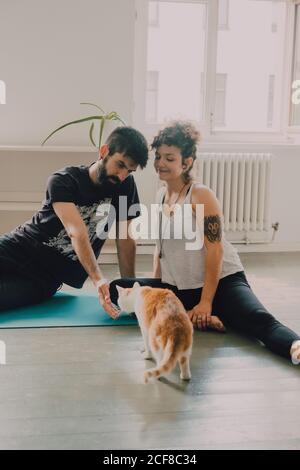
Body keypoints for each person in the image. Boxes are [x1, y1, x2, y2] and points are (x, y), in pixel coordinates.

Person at [110, 121, 300, 365]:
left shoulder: (201, 195)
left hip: (222, 282)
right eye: (158, 157)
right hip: (182, 288)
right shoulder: (160, 196)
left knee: (258, 320)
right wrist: (158, 289)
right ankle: (202, 317)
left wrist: (206, 302)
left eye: (169, 158)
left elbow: (215, 249)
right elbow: (161, 248)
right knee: (119, 287)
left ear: (186, 162)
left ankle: (294, 345)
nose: (160, 164)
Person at [0, 126, 148, 317]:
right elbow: (76, 232)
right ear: (104, 151)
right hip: (17, 248)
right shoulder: (64, 180)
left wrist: (130, 289)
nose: (122, 176)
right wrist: (98, 280)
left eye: (129, 171)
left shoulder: (125, 186)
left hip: (45, 277)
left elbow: (126, 239)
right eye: (120, 165)